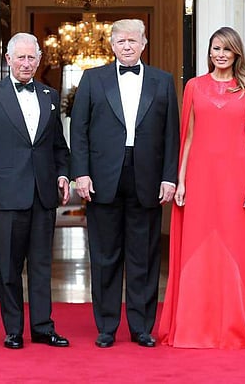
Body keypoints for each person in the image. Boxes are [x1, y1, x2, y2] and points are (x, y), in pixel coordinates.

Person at [158, 26, 245, 349]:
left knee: (234, 247)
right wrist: (181, 180)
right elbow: (187, 136)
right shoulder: (194, 87)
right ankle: (194, 325)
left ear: (236, 53)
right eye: (215, 48)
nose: (220, 54)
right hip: (199, 177)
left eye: (226, 49)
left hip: (237, 179)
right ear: (209, 52)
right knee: (197, 245)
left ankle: (233, 325)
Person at [70, 19, 180, 348]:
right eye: (121, 41)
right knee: (105, 256)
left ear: (144, 44)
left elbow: (171, 134)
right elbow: (79, 130)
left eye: (133, 40)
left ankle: (141, 327)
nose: (127, 46)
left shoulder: (163, 81)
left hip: (148, 177)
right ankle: (106, 326)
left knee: (143, 256)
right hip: (102, 178)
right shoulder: (93, 79)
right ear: (112, 45)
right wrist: (81, 173)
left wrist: (169, 177)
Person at [0, 33, 71, 350]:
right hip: (6, 194)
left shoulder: (50, 95)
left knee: (41, 266)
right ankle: (13, 330)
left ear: (38, 60)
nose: (26, 63)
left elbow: (58, 145)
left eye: (31, 58)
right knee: (10, 268)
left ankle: (43, 327)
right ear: (8, 59)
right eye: (21, 58)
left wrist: (63, 174)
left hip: (43, 193)